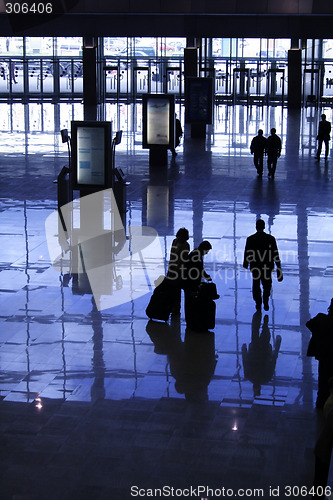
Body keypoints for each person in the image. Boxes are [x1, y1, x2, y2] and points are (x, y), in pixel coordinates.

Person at [243, 219, 283, 311]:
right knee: (267, 285)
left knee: (256, 285)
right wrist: (279, 267)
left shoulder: (250, 239)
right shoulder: (271, 239)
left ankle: (258, 302)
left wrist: (246, 264)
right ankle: (265, 300)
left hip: (255, 266)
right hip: (267, 266)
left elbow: (247, 253)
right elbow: (275, 254)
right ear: (264, 227)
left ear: (256, 227)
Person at [306, 299, 333, 408]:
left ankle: (321, 400)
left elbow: (309, 324)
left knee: (323, 377)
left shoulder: (321, 319)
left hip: (323, 355)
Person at [167, 227, 190, 314]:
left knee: (176, 290)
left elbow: (182, 260)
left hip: (179, 271)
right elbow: (172, 256)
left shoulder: (185, 245)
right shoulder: (175, 241)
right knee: (172, 290)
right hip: (172, 268)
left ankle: (176, 308)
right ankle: (172, 306)